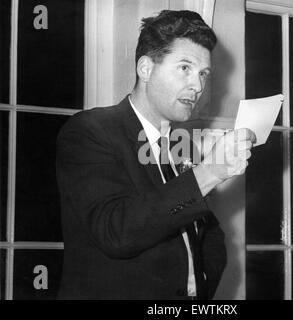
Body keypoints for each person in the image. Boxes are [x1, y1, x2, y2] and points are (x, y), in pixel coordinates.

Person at [56, 10, 255, 300]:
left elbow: (206, 237)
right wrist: (210, 172)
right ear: (146, 69)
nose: (198, 86)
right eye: (185, 68)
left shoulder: (181, 145)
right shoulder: (90, 131)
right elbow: (116, 232)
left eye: (204, 74)